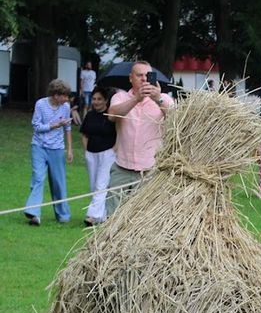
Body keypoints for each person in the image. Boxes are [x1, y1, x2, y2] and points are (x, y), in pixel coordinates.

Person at [105, 61, 174, 217]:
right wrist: (136, 99)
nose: (144, 79)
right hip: (122, 167)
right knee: (113, 216)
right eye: (139, 75)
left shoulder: (164, 99)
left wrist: (157, 99)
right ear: (131, 78)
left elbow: (177, 120)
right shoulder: (120, 96)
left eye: (147, 75)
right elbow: (112, 115)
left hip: (150, 170)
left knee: (144, 218)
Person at [23, 78, 73, 226]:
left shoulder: (66, 107)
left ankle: (63, 215)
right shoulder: (41, 104)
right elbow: (36, 126)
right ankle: (34, 213)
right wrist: (54, 125)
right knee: (38, 178)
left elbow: (68, 129)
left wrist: (69, 149)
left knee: (58, 182)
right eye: (64, 95)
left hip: (57, 149)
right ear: (56, 95)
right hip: (39, 147)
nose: (67, 98)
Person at [80, 87, 117, 225]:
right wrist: (86, 150)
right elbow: (84, 134)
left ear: (106, 100)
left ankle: (92, 216)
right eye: (94, 99)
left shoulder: (111, 115)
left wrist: (115, 149)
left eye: (99, 99)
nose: (96, 102)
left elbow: (120, 131)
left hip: (107, 153)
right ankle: (102, 215)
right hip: (91, 153)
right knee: (93, 184)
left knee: (101, 184)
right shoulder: (89, 115)